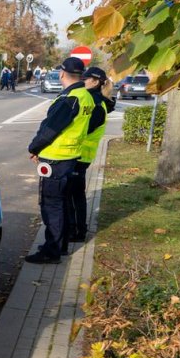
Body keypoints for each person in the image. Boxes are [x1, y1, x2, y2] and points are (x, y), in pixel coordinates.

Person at [25, 57, 95, 264]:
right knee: (62, 204)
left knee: (52, 206)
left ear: (63, 74)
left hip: (56, 159)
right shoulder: (86, 96)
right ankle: (60, 245)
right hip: (71, 157)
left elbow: (50, 129)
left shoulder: (70, 98)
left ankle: (52, 251)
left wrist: (34, 148)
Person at [66, 67, 115, 243]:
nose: (82, 82)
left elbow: (83, 129)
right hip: (80, 155)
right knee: (76, 195)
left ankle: (76, 232)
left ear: (95, 82)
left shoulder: (96, 104)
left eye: (85, 79)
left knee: (73, 196)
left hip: (78, 155)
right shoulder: (97, 101)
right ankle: (77, 231)